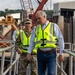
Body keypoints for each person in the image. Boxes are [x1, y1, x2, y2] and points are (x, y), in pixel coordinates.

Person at [27, 10, 64, 75]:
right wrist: (29, 52)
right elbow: (32, 41)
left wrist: (61, 53)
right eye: (36, 19)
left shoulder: (53, 26)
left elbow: (60, 39)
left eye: (39, 18)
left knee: (51, 73)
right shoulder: (36, 28)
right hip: (40, 53)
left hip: (51, 54)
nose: (38, 20)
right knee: (41, 73)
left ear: (44, 17)